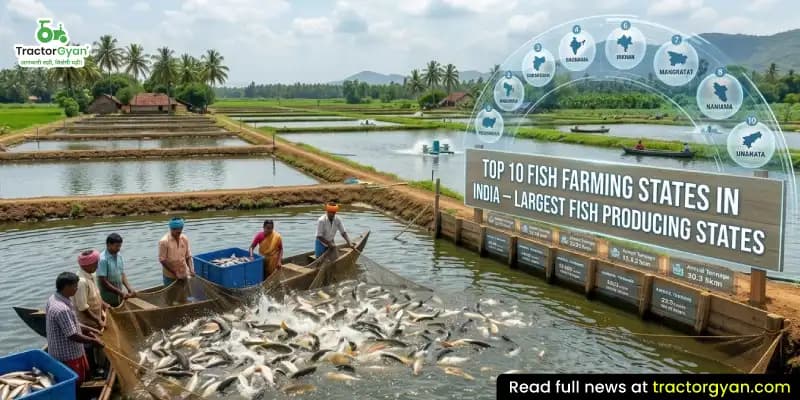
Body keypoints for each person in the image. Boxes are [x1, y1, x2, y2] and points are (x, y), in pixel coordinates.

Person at [46, 272, 104, 385]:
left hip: (60, 352)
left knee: (80, 378)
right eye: (75, 286)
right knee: (75, 382)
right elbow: (72, 335)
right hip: (68, 355)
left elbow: (73, 323)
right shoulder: (62, 309)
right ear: (66, 287)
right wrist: (94, 341)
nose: (77, 289)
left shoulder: (54, 298)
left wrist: (91, 330)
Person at [97, 233, 136, 307]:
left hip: (118, 294)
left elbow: (122, 273)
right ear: (109, 245)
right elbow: (103, 282)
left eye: (120, 246)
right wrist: (120, 292)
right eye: (116, 246)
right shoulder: (102, 259)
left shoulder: (119, 255)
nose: (119, 249)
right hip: (107, 297)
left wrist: (129, 288)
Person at [75, 250, 108, 329]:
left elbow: (96, 293)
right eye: (96, 264)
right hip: (87, 323)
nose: (97, 266)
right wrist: (98, 320)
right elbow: (83, 308)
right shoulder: (81, 282)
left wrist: (103, 304)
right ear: (87, 265)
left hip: (97, 317)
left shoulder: (92, 274)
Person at [159, 217, 194, 287]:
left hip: (184, 273)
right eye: (176, 231)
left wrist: (191, 269)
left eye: (180, 231)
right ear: (171, 229)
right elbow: (162, 260)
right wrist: (175, 273)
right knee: (171, 293)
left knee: (184, 291)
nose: (179, 233)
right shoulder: (164, 241)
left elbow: (188, 256)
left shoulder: (184, 238)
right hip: (170, 275)